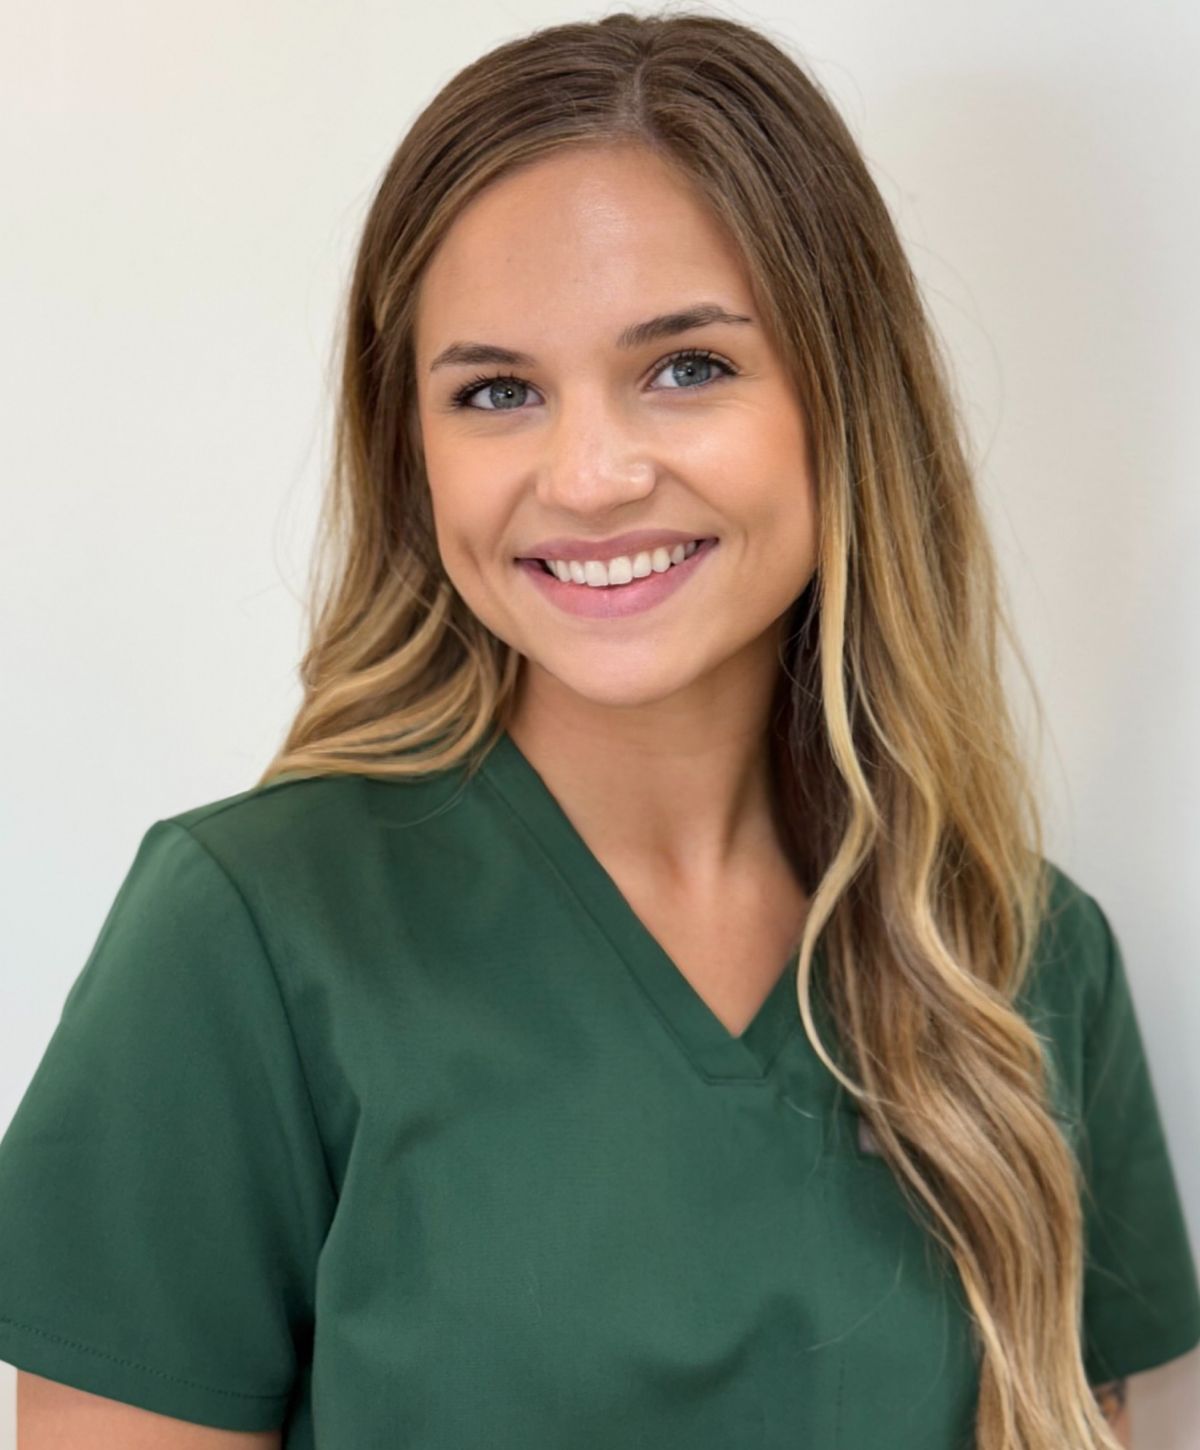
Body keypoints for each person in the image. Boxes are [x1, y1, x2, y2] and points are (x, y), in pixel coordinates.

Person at [1, 10, 1196, 1450]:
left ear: (843, 396)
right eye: (497, 391)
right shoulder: (247, 936)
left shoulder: (1018, 957)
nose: (588, 473)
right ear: (413, 448)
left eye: (686, 365)